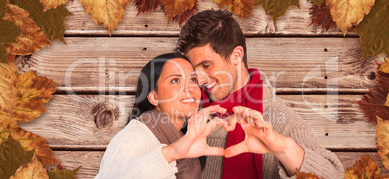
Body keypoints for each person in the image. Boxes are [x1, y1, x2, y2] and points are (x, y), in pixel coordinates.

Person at [175, 10, 344, 178]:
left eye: (206, 66)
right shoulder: (183, 117)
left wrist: (283, 148)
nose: (199, 79)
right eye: (192, 70)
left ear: (236, 56)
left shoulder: (280, 122)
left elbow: (334, 175)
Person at [95, 53, 231, 178]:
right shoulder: (135, 137)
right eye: (175, 80)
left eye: (193, 79)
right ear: (154, 97)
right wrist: (171, 153)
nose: (189, 88)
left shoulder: (187, 139)